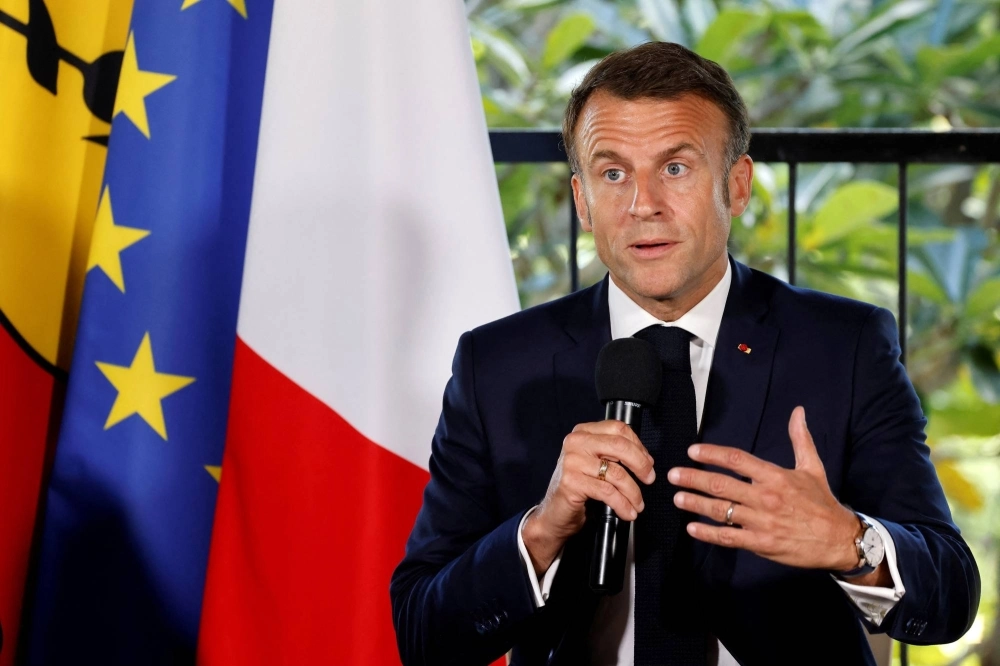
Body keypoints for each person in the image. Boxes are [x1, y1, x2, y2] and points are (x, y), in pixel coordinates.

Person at [389, 42, 980, 666]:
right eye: (613, 173)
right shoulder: (498, 364)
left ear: (737, 185)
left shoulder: (843, 346)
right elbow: (424, 635)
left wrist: (849, 542)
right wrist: (541, 531)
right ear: (582, 200)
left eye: (675, 168)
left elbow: (950, 598)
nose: (643, 203)